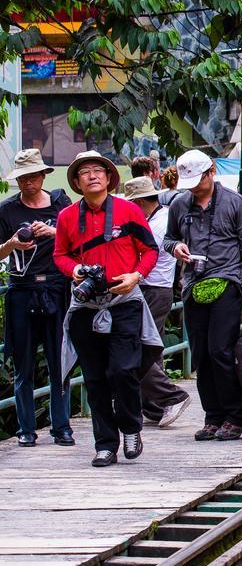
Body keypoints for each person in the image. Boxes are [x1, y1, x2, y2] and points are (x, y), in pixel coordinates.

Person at [53, 151, 159, 467]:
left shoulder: (128, 211)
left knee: (123, 369)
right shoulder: (68, 217)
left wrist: (136, 276)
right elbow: (60, 255)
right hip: (86, 303)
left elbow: (150, 250)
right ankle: (105, 444)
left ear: (110, 178)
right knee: (95, 377)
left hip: (124, 300)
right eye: (84, 171)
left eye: (98, 170)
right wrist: (74, 271)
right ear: (76, 181)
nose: (92, 175)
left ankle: (130, 427)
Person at [164, 150, 242, 442]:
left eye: (198, 179)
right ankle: (213, 416)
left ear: (211, 172)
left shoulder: (235, 203)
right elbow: (169, 238)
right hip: (193, 285)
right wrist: (176, 248)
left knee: (221, 350)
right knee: (201, 355)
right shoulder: (180, 205)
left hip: (227, 282)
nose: (194, 187)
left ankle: (238, 415)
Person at [0, 149, 74, 447]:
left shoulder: (61, 204)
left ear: (43, 176)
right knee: (23, 363)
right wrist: (14, 243)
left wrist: (53, 231)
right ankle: (26, 430)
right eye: (22, 178)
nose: (28, 183)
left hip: (56, 287)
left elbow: (76, 240)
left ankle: (62, 427)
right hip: (22, 288)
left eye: (32, 176)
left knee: (61, 362)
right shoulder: (7, 210)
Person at [122, 176, 191, 428]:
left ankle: (171, 396)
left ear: (139, 201)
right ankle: (155, 405)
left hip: (153, 287)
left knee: (137, 347)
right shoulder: (155, 218)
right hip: (151, 287)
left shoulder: (158, 224)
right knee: (152, 345)